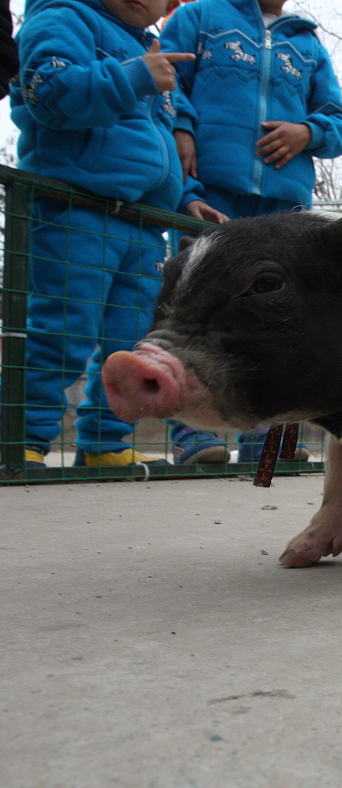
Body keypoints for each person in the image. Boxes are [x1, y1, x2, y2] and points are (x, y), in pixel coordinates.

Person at [11, 0, 226, 469]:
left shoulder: (151, 47)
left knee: (131, 343)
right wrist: (132, 77)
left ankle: (104, 442)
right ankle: (21, 437)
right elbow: (46, 91)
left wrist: (186, 196)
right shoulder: (63, 18)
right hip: (78, 207)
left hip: (146, 222)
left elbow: (160, 139)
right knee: (63, 329)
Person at [160, 0, 342, 463]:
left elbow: (341, 123)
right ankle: (194, 439)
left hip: (282, 209)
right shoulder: (197, 17)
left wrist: (307, 133)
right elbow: (166, 86)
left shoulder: (307, 42)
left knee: (277, 324)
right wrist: (183, 134)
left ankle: (270, 446)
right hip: (208, 196)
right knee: (192, 316)